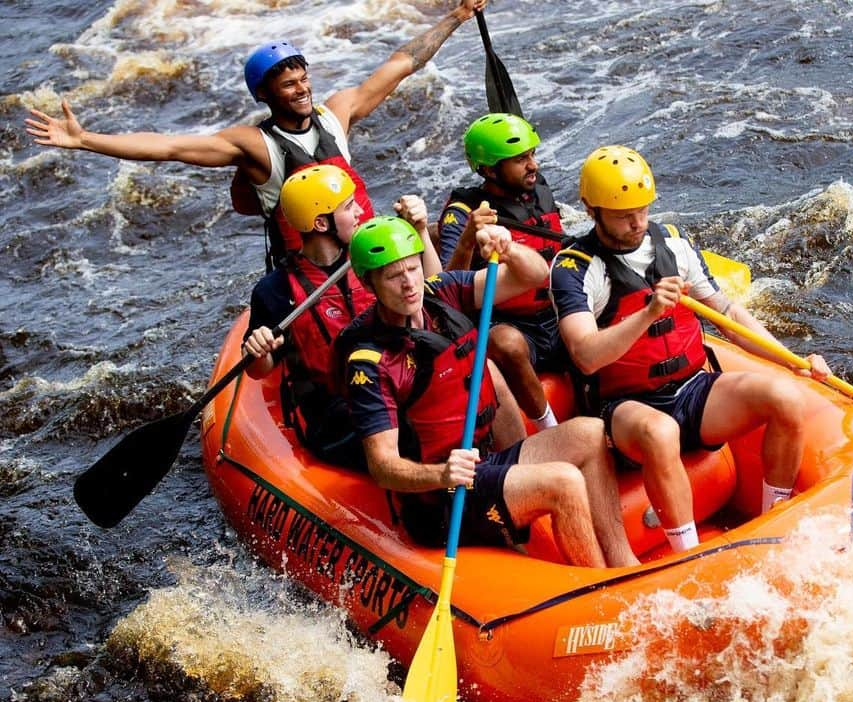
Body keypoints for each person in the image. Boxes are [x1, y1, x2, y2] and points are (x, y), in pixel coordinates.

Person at [23, 0, 487, 268]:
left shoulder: (337, 112)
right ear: (266, 95)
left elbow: (401, 64)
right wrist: (87, 140)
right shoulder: (253, 144)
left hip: (369, 252)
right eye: (289, 84)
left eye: (304, 78)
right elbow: (168, 147)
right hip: (311, 269)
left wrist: (457, 16)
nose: (302, 89)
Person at [550, 145, 832, 552]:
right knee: (660, 432)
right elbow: (586, 355)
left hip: (693, 391)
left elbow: (729, 316)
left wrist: (792, 361)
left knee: (785, 397)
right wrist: (648, 312)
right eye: (623, 214)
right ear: (591, 210)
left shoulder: (675, 246)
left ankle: (775, 524)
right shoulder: (574, 269)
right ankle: (689, 552)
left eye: (643, 210)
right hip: (626, 408)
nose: (636, 223)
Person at [338, 216, 637, 568]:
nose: (409, 284)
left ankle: (624, 564)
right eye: (393, 276)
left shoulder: (442, 293)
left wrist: (508, 250)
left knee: (591, 432)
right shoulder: (369, 363)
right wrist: (442, 475)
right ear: (368, 284)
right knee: (564, 480)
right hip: (443, 496)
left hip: (484, 462)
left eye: (413, 269)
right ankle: (598, 587)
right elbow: (383, 466)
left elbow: (535, 275)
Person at [242, 164, 440, 466]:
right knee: (414, 436)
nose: (360, 211)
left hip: (396, 381)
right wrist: (257, 349)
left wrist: (420, 229)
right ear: (322, 224)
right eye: (348, 207)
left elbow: (436, 290)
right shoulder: (276, 290)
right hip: (335, 415)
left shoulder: (371, 256)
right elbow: (259, 370)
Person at [437, 113, 565, 431]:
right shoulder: (464, 212)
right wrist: (468, 238)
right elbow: (445, 288)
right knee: (507, 342)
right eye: (520, 160)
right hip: (507, 322)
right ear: (490, 170)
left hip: (557, 312)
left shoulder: (539, 193)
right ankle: (551, 429)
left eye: (532, 155)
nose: (533, 165)